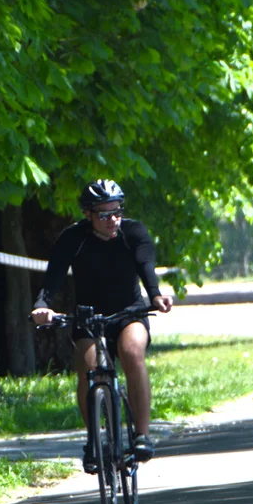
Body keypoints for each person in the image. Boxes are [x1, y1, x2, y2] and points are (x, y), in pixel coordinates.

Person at [31, 179, 173, 473]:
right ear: (88, 214)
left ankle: (142, 435)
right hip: (89, 316)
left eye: (117, 212)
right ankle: (95, 440)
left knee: (132, 352)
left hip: (129, 312)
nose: (113, 220)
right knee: (88, 368)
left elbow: (147, 268)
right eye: (104, 214)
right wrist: (41, 305)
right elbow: (54, 277)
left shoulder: (134, 232)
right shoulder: (73, 238)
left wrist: (156, 295)